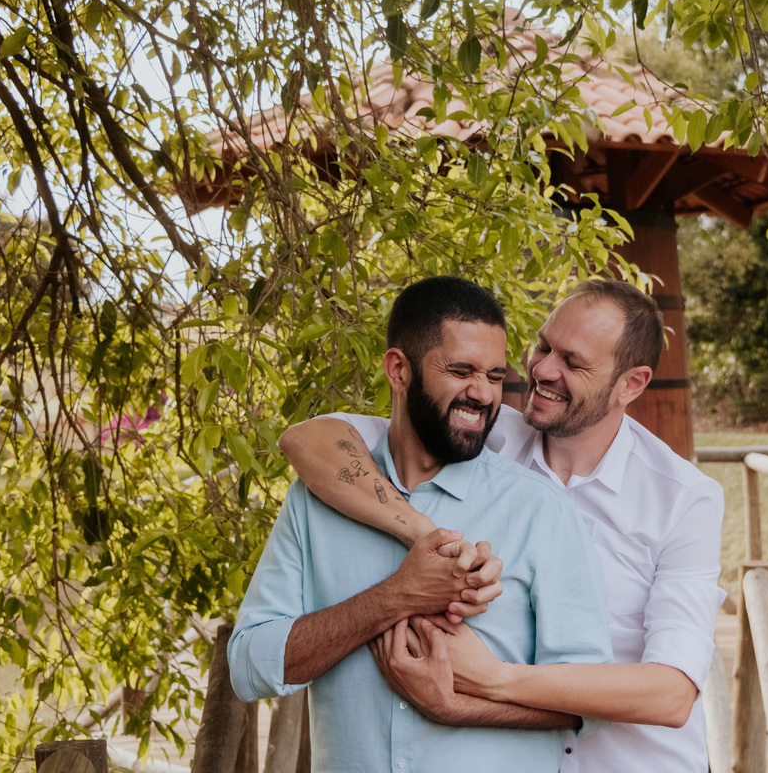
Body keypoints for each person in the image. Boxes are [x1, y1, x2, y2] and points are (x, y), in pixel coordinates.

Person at [280, 278, 725, 773]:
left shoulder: (684, 499)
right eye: (543, 346)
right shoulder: (486, 434)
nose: (543, 369)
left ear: (632, 384)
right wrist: (423, 535)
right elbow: (310, 440)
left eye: (573, 362)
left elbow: (672, 694)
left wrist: (491, 678)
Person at [229, 276, 613, 773]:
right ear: (399, 370)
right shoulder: (315, 499)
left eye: (495, 376)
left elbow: (589, 702)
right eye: (461, 371)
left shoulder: (540, 510)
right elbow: (249, 666)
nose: (483, 394)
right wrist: (396, 597)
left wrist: (455, 707)